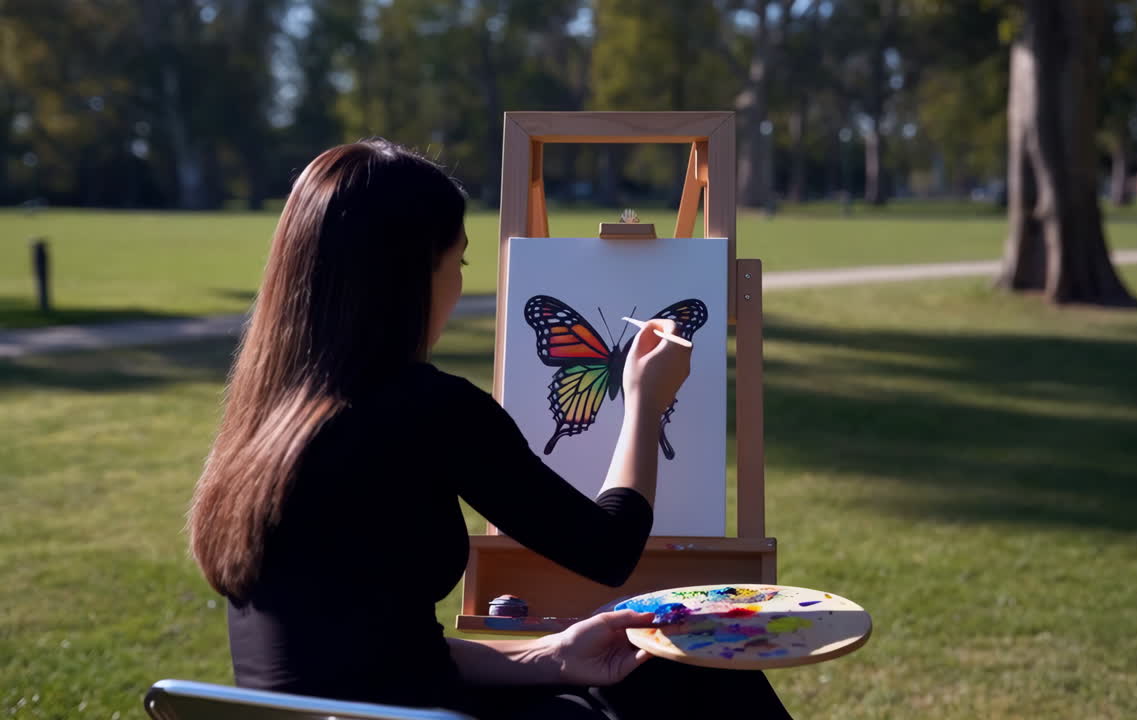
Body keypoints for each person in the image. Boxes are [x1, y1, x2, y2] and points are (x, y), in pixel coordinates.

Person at [186, 139, 791, 719]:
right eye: (461, 261)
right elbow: (608, 546)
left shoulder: (260, 425)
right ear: (415, 273)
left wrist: (549, 657)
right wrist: (645, 399)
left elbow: (375, 658)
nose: (461, 283)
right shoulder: (428, 408)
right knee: (699, 677)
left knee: (664, 673)